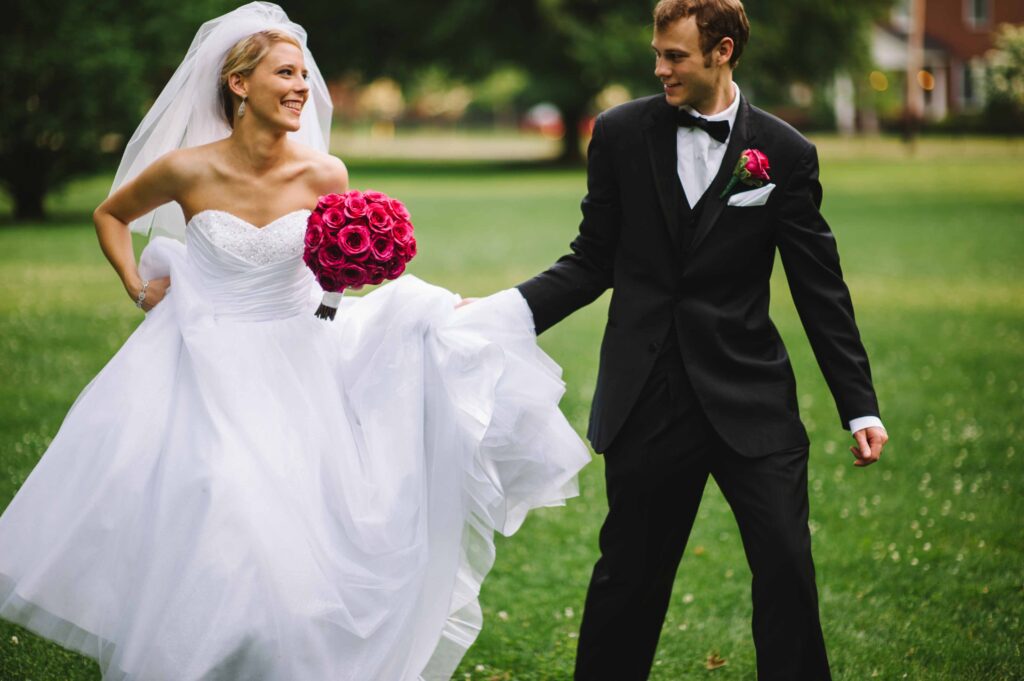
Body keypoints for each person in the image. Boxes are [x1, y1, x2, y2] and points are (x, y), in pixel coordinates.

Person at [0, 4, 589, 680]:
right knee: (223, 503)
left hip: (302, 362)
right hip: (201, 357)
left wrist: (403, 296)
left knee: (301, 537)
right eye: (285, 73)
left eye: (305, 76)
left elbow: (333, 287)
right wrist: (136, 285)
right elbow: (111, 214)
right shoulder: (186, 170)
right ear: (239, 83)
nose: (301, 88)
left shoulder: (324, 175)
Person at [512, 0, 889, 678]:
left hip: (750, 395)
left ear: (722, 52)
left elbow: (819, 288)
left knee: (786, 567)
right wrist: (504, 314)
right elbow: (592, 259)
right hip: (647, 396)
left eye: (675, 56)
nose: (660, 68)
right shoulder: (622, 133)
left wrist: (858, 403)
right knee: (628, 579)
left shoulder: (784, 153)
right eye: (657, 54)